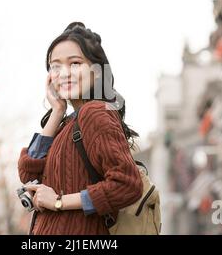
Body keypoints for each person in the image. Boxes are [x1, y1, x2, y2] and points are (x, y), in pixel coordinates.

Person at [17, 22, 143, 235]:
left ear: (96, 71)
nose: (64, 73)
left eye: (75, 63)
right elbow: (27, 173)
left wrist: (58, 202)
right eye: (55, 66)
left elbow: (128, 185)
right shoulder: (67, 123)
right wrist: (57, 111)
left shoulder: (95, 113)